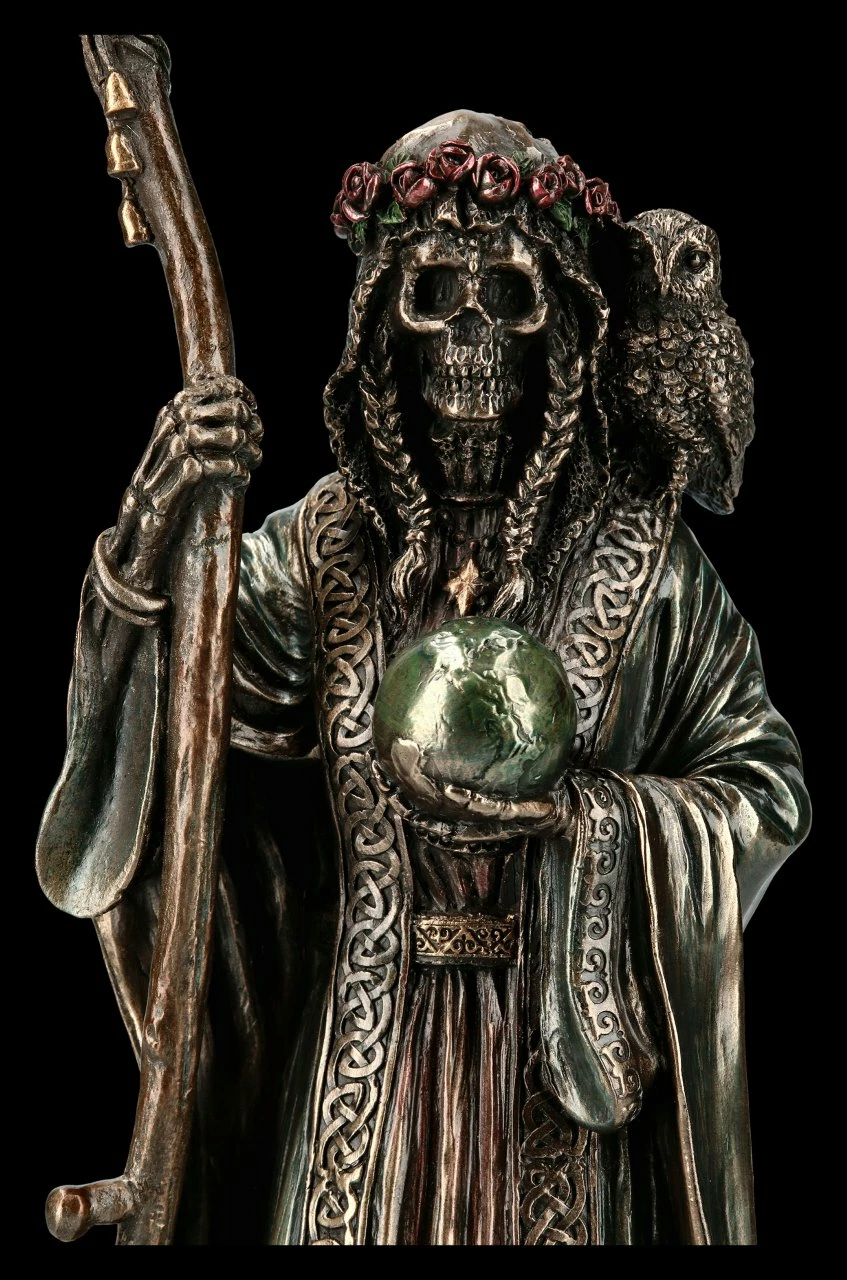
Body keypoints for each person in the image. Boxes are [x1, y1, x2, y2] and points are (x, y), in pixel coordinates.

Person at [37, 110, 810, 1245]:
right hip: (359, 1084)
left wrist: (590, 821)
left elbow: (765, 789)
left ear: (564, 332)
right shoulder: (320, 556)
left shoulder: (646, 567)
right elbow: (171, 726)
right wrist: (148, 536)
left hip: (562, 1091)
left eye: (508, 298)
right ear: (379, 332)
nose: (470, 341)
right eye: (433, 296)